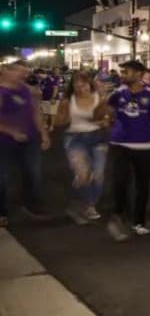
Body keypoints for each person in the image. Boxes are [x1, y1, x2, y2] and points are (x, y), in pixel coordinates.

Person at [97, 61, 150, 239]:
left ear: (139, 74)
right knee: (120, 182)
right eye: (122, 71)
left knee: (142, 186)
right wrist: (103, 98)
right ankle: (119, 218)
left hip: (145, 146)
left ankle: (139, 222)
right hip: (120, 144)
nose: (122, 74)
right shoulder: (117, 93)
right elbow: (100, 114)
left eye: (126, 71)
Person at [0, 61, 49, 226]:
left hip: (30, 139)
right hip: (5, 142)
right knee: (4, 176)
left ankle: (32, 205)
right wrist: (12, 132)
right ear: (7, 71)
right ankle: (2, 211)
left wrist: (43, 133)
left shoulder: (25, 90)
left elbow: (35, 112)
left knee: (33, 173)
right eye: (19, 72)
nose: (23, 76)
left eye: (25, 73)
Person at [55, 71, 107, 223]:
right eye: (76, 83)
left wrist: (104, 121)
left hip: (97, 137)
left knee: (98, 174)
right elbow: (57, 122)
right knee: (83, 174)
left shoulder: (99, 98)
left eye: (83, 83)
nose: (79, 86)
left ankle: (90, 203)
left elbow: (105, 118)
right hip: (75, 139)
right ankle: (88, 205)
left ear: (89, 83)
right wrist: (65, 119)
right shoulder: (67, 101)